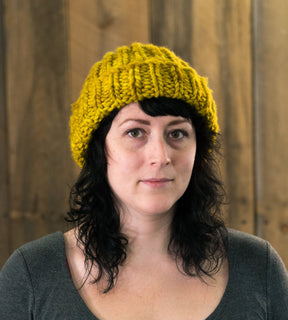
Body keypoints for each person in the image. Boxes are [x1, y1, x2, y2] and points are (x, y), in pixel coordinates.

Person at [0, 42, 287, 319]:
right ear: (98, 149)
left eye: (177, 133)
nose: (160, 156)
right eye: (135, 132)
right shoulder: (32, 275)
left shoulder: (258, 268)